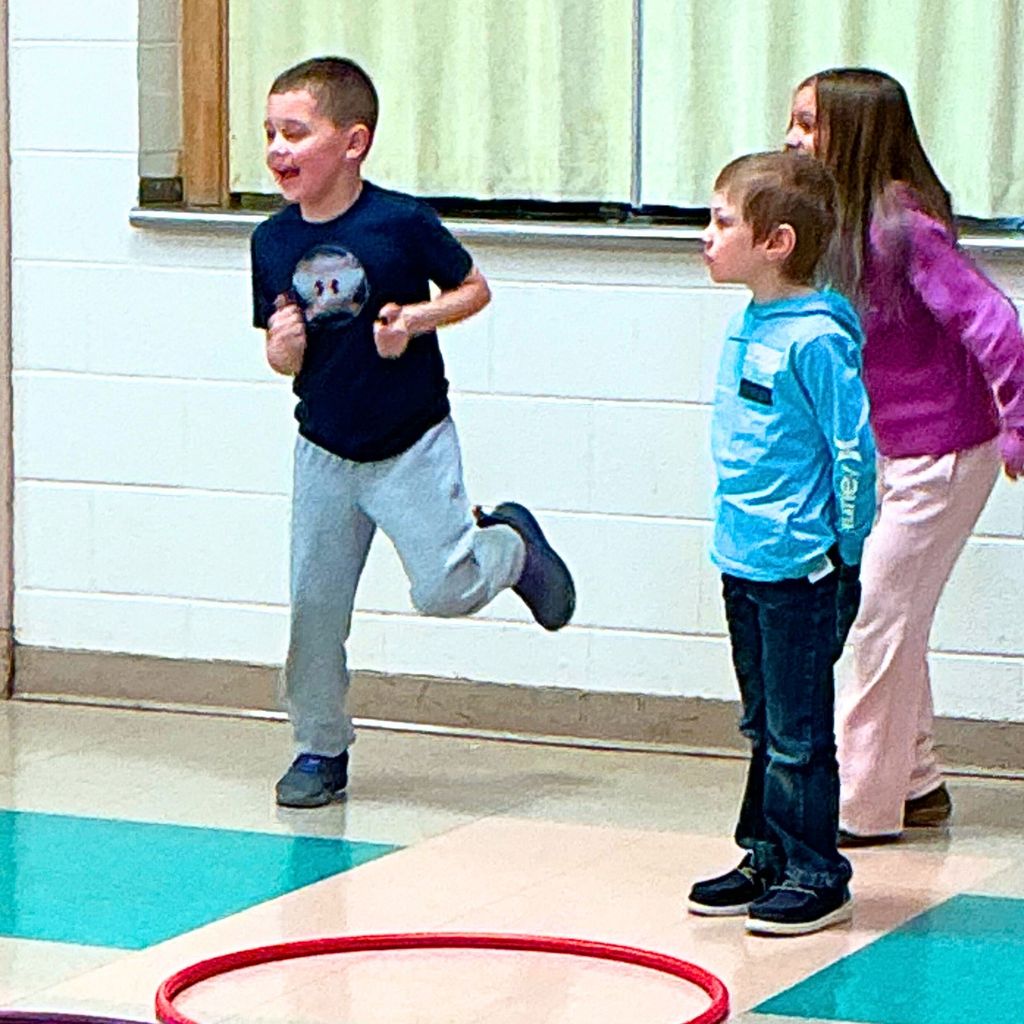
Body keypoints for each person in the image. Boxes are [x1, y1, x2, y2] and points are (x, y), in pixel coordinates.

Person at [251, 56, 575, 808]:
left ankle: (513, 546)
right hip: (324, 449)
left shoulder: (400, 222)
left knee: (446, 590)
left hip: (411, 442)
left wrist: (418, 319)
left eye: (295, 132)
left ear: (353, 141)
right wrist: (282, 349)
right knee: (315, 610)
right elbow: (277, 347)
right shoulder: (271, 240)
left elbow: (474, 288)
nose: (276, 149)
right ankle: (318, 748)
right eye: (269, 133)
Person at [786, 68, 1024, 844]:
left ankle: (860, 808)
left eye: (808, 124)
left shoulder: (901, 226)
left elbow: (997, 324)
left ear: (850, 134)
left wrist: (1018, 422)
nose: (792, 138)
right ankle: (916, 781)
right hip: (896, 454)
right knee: (897, 612)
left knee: (878, 619)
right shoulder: (840, 224)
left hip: (948, 456)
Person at [687, 151, 876, 936]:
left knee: (799, 733)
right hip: (744, 558)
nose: (706, 235)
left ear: (778, 242)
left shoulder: (816, 338)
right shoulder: (749, 321)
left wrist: (843, 549)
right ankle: (765, 849)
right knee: (764, 724)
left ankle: (816, 868)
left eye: (723, 221)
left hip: (801, 568)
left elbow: (854, 451)